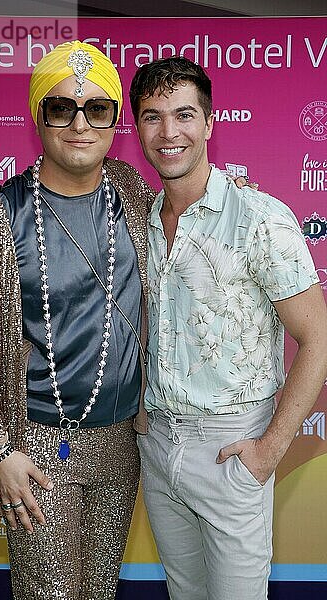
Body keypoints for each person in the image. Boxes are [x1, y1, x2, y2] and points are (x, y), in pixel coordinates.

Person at [0, 40, 154, 600]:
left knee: (99, 588)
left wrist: (237, 198)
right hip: (37, 444)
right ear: (39, 117)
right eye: (62, 107)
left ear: (116, 122)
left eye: (97, 109)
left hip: (122, 443)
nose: (80, 123)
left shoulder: (134, 196)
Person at [129, 56, 327, 600]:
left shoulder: (259, 217)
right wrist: (146, 408)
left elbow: (318, 338)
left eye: (184, 114)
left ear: (211, 123)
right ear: (137, 128)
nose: (169, 132)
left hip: (229, 450)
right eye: (152, 116)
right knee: (184, 593)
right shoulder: (143, 220)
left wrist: (268, 451)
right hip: (159, 444)